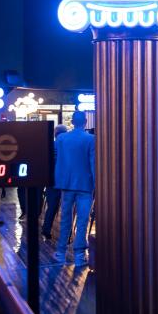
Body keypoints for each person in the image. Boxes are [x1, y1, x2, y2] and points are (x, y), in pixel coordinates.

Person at [54, 110, 95, 265]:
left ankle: (60, 252)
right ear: (85, 122)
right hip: (85, 185)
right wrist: (97, 183)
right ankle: (79, 255)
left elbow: (57, 159)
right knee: (83, 220)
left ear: (72, 121)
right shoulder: (91, 139)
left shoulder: (61, 139)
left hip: (66, 184)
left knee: (65, 218)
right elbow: (93, 163)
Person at [39, 124, 69, 239]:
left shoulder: (49, 145)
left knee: (52, 206)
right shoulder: (69, 146)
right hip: (67, 180)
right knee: (68, 207)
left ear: (55, 134)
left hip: (52, 180)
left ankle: (46, 229)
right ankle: (66, 234)